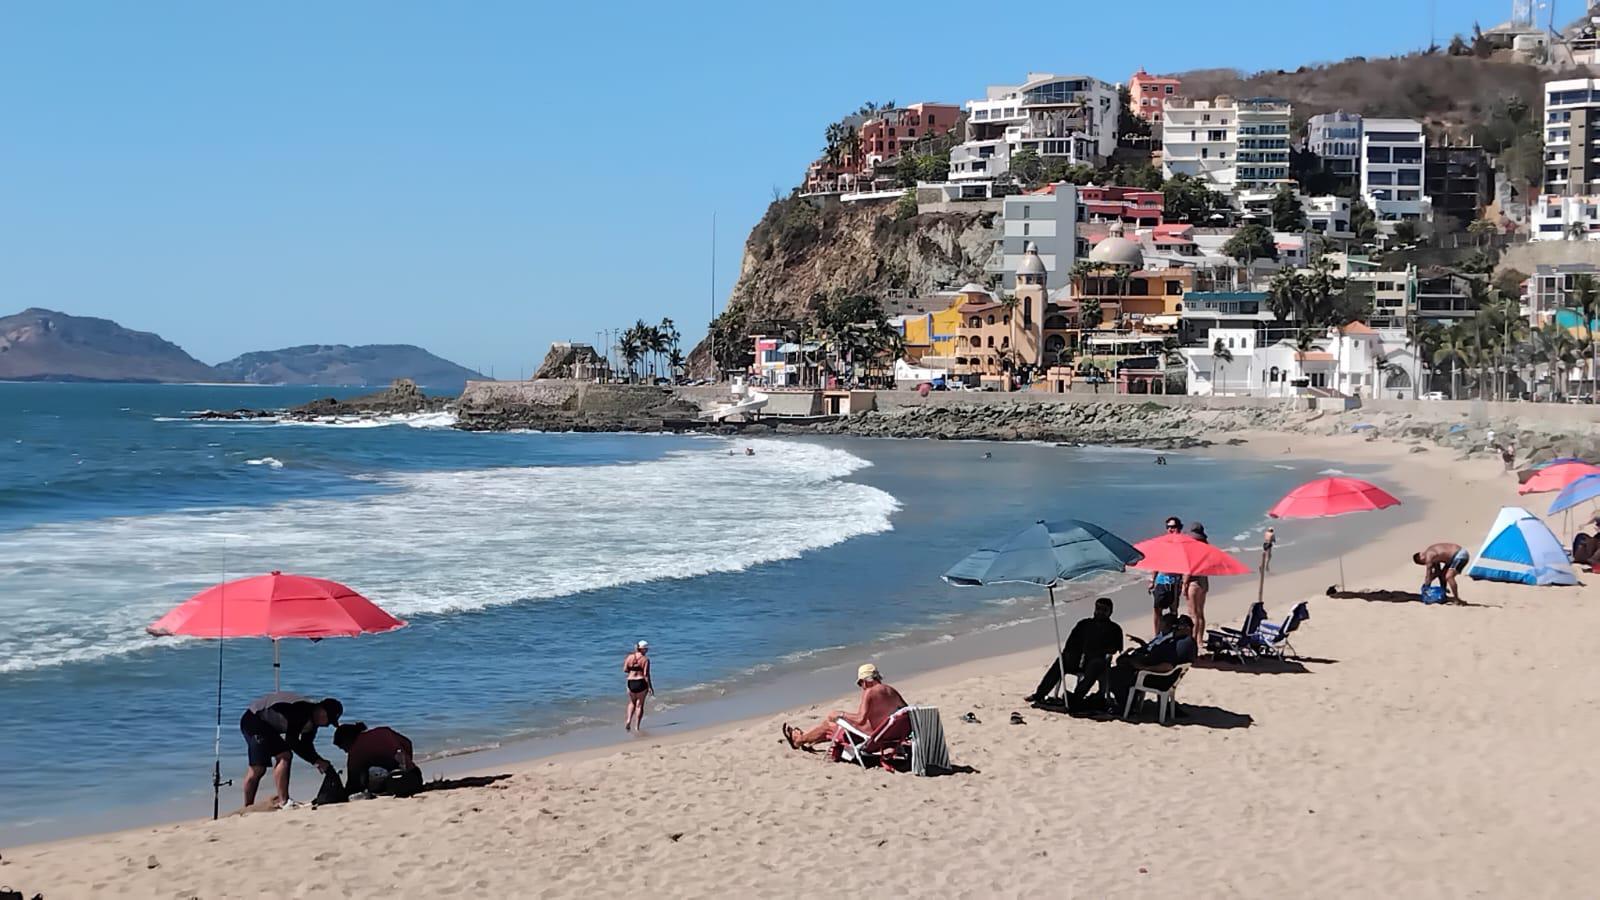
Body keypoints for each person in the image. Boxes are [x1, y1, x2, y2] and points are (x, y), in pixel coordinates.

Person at [239, 693, 342, 809]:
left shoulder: (312, 723)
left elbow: (306, 746)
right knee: (262, 767)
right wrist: (317, 761)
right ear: (322, 710)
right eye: (329, 720)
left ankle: (280, 801)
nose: (327, 725)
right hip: (253, 720)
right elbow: (292, 741)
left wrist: (318, 761)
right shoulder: (301, 710)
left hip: (267, 726)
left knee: (282, 756)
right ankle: (263, 805)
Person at [1025, 597, 1123, 709]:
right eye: (1098, 609)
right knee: (1062, 659)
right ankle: (1039, 695)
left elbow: (1115, 649)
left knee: (1096, 664)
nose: (1100, 612)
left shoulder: (1114, 629)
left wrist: (1096, 651)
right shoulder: (1084, 624)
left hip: (1096, 662)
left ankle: (1077, 697)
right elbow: (1070, 643)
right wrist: (1073, 654)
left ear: (1110, 612)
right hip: (1078, 659)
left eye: (1104, 610)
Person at [783, 664, 906, 751]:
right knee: (833, 728)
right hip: (890, 738)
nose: (861, 687)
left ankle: (798, 741)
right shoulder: (891, 691)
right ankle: (807, 738)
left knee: (829, 724)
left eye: (860, 683)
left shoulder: (870, 692)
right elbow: (906, 711)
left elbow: (861, 719)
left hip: (870, 739)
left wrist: (840, 714)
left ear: (865, 681)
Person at [1109, 616, 1198, 712]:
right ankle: (1129, 700)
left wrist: (1144, 668)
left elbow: (1168, 666)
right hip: (1164, 676)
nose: (1175, 629)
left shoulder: (1182, 644)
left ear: (1187, 628)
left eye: (1178, 627)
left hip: (1158, 678)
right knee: (1123, 663)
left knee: (1114, 673)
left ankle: (1125, 705)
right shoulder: (1184, 642)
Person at [333, 722, 418, 796]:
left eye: (343, 747)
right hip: (415, 775)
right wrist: (408, 764)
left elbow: (352, 782)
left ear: (347, 740)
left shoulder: (356, 750)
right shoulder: (382, 730)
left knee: (368, 770)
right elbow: (407, 743)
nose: (345, 751)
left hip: (396, 782)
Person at [1149, 516, 1184, 634]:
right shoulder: (1163, 543)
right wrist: (1152, 580)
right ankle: (1156, 634)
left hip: (1175, 581)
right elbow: (1156, 562)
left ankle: (1171, 632)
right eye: (1168, 527)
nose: (1170, 529)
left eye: (1173, 527)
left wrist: (1184, 582)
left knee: (1173, 610)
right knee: (1157, 608)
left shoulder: (1183, 544)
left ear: (1179, 528)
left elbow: (1186, 564)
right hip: (1161, 580)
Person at [1185, 522, 1212, 645]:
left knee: (1193, 613)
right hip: (1204, 581)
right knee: (1200, 612)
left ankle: (1194, 640)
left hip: (1193, 582)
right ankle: (1200, 639)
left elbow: (1189, 569)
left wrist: (1184, 584)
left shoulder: (1193, 549)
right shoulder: (1206, 548)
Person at [622, 640, 653, 732]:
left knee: (632, 702)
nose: (647, 650)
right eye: (646, 649)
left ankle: (628, 720)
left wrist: (632, 670)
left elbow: (625, 669)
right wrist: (650, 687)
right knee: (639, 705)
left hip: (630, 682)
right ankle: (637, 727)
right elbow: (646, 675)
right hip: (641, 682)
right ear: (643, 649)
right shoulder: (645, 659)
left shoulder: (630, 657)